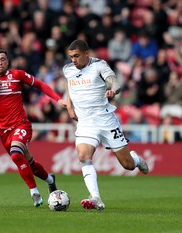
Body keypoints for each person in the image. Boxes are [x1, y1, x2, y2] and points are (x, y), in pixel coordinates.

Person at [63, 40, 149, 211]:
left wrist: (113, 90)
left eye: (76, 56)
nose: (73, 60)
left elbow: (114, 82)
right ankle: (96, 198)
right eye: (71, 56)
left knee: (128, 165)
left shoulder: (99, 66)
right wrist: (70, 106)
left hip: (105, 120)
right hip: (86, 123)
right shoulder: (67, 69)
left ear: (86, 53)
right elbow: (69, 85)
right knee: (83, 156)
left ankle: (136, 159)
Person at [0, 49, 66, 207]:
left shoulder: (17, 75)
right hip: (3, 132)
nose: (0, 62)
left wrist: (58, 99)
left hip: (21, 125)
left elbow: (40, 85)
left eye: (3, 59)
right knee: (29, 163)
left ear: (8, 61)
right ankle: (50, 180)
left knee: (16, 155)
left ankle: (34, 192)